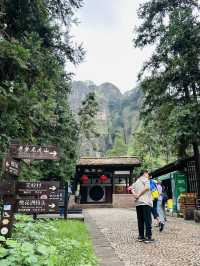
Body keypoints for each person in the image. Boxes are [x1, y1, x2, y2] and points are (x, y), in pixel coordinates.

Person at [130, 170, 154, 243]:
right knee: (147, 220)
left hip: (138, 203)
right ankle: (148, 237)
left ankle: (141, 236)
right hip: (145, 202)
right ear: (144, 173)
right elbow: (147, 188)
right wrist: (139, 195)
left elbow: (131, 188)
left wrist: (135, 195)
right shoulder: (146, 180)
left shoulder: (136, 181)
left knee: (140, 220)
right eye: (147, 174)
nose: (148, 175)